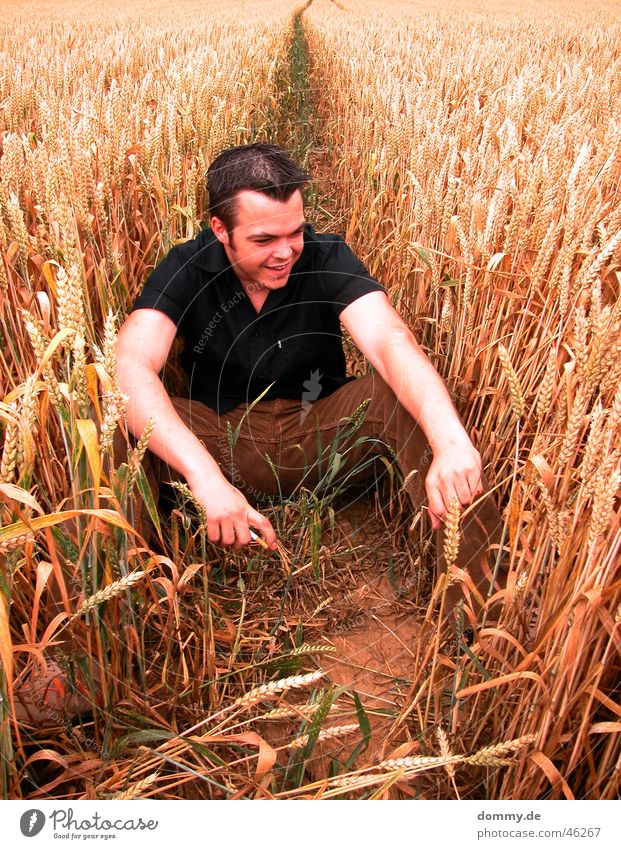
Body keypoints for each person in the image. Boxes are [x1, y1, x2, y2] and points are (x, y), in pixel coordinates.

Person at [116, 142, 504, 620]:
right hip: (221, 439)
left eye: (294, 232)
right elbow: (131, 365)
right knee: (114, 417)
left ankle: (480, 622)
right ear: (220, 229)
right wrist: (204, 475)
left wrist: (450, 444)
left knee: (398, 397)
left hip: (322, 435)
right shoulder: (186, 267)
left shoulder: (324, 256)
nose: (285, 253)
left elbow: (389, 340)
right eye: (263, 240)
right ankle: (110, 626)